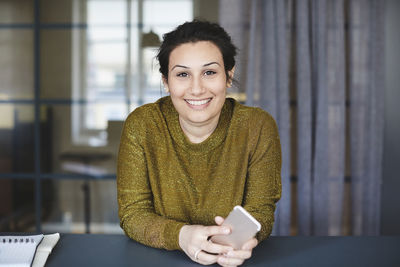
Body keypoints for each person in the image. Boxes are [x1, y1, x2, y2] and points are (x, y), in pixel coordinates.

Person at [117, 20, 281, 267]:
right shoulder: (143, 125)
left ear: (229, 75)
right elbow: (133, 213)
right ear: (166, 81)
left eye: (209, 72)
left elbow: (261, 210)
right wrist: (181, 235)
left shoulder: (257, 126)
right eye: (183, 74)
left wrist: (246, 239)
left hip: (233, 259)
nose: (196, 88)